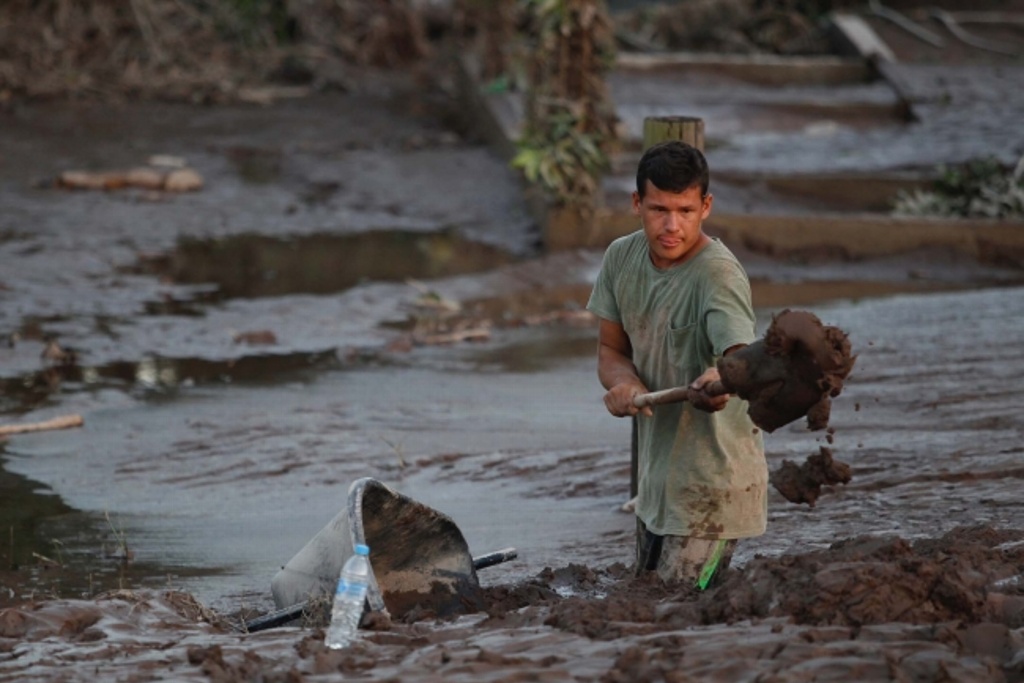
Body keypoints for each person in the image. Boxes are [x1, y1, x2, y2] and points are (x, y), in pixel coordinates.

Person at [586, 140, 767, 587]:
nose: (672, 226)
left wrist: (721, 383)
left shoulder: (718, 276)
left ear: (705, 207)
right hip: (655, 485)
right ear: (636, 204)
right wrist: (623, 384)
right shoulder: (620, 258)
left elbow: (740, 363)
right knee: (646, 605)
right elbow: (611, 351)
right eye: (659, 209)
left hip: (713, 490)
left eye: (685, 211)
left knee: (681, 609)